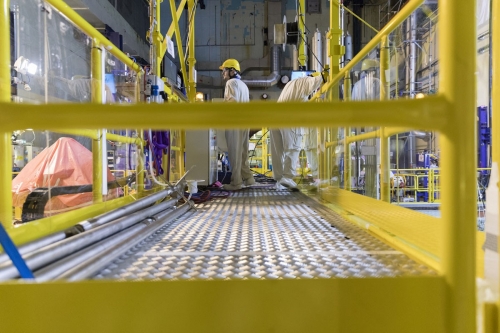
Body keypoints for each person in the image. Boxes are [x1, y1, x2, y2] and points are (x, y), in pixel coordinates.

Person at [270, 70, 327, 190]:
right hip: (289, 118)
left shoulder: (292, 83)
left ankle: (279, 179)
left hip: (275, 117)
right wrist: (325, 76)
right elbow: (320, 78)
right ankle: (287, 177)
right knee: (293, 147)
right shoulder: (307, 81)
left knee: (278, 150)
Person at [220, 58, 255, 190]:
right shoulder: (243, 85)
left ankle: (236, 183)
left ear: (232, 71)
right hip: (244, 122)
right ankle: (248, 178)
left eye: (224, 70)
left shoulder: (231, 83)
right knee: (242, 152)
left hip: (234, 121)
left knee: (234, 152)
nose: (223, 73)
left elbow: (232, 102)